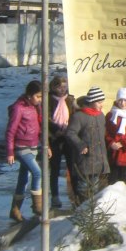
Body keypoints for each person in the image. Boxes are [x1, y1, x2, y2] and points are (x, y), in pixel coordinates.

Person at [6, 80, 48, 221]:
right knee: (37, 172)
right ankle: (37, 205)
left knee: (23, 179)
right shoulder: (19, 108)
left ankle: (15, 209)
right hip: (21, 147)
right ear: (29, 95)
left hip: (33, 146)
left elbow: (41, 127)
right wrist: (10, 152)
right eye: (37, 96)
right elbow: (11, 130)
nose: (40, 99)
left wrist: (46, 146)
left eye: (41, 97)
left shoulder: (37, 107)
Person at [65, 86, 110, 204]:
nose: (102, 105)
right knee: (83, 188)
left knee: (95, 189)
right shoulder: (79, 116)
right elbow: (70, 133)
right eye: (99, 102)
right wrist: (81, 145)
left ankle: (92, 214)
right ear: (91, 102)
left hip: (98, 160)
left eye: (102, 102)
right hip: (85, 160)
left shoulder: (100, 116)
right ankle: (82, 213)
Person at [47, 75, 75, 209]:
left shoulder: (70, 99)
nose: (62, 90)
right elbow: (46, 118)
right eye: (59, 87)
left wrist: (69, 130)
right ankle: (55, 196)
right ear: (54, 87)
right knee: (55, 168)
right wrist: (56, 129)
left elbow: (75, 116)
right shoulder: (49, 100)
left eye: (64, 87)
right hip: (55, 137)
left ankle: (76, 194)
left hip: (68, 136)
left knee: (72, 166)